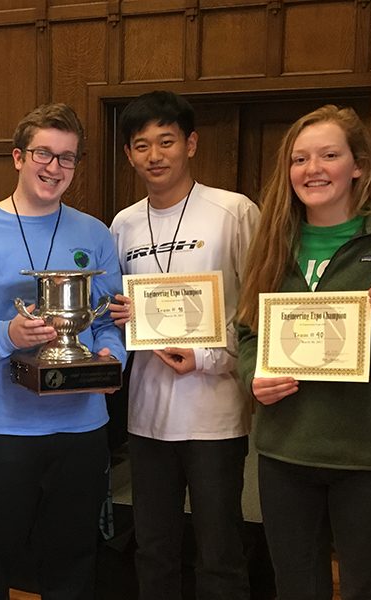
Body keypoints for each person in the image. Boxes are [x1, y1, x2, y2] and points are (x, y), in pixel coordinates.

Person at [235, 105, 371, 599]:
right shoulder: (272, 240)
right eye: (299, 159)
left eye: (328, 155)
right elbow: (247, 329)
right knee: (296, 584)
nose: (312, 169)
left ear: (357, 164)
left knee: (369, 587)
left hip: (368, 455)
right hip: (283, 449)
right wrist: (252, 375)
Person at [0, 103, 127, 599]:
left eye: (67, 158)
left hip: (80, 430)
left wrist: (112, 358)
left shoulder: (94, 234)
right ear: (18, 157)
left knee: (73, 566)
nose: (54, 168)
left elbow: (108, 321)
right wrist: (9, 336)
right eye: (44, 154)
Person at [108, 91, 258, 599]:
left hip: (215, 413)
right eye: (141, 145)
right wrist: (125, 320)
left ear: (190, 144)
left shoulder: (233, 211)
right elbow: (117, 313)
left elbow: (255, 306)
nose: (155, 155)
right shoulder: (123, 225)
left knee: (219, 547)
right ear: (129, 154)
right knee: (153, 545)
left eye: (166, 141)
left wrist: (209, 357)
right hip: (147, 414)